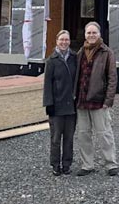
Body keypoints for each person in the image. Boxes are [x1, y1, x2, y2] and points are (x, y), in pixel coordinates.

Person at [74, 21, 118, 176]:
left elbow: (112, 78)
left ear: (99, 34)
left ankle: (111, 164)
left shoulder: (107, 53)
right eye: (88, 33)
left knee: (104, 133)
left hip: (99, 101)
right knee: (83, 133)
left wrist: (108, 100)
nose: (91, 35)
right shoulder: (80, 53)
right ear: (85, 35)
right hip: (82, 99)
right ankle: (87, 165)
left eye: (94, 33)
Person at [42, 29, 77, 176]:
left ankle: (67, 164)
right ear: (57, 41)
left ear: (69, 41)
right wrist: (48, 104)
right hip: (56, 106)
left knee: (69, 138)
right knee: (56, 138)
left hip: (71, 107)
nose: (64, 42)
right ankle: (55, 164)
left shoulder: (74, 58)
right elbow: (47, 84)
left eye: (66, 40)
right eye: (61, 39)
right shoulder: (51, 61)